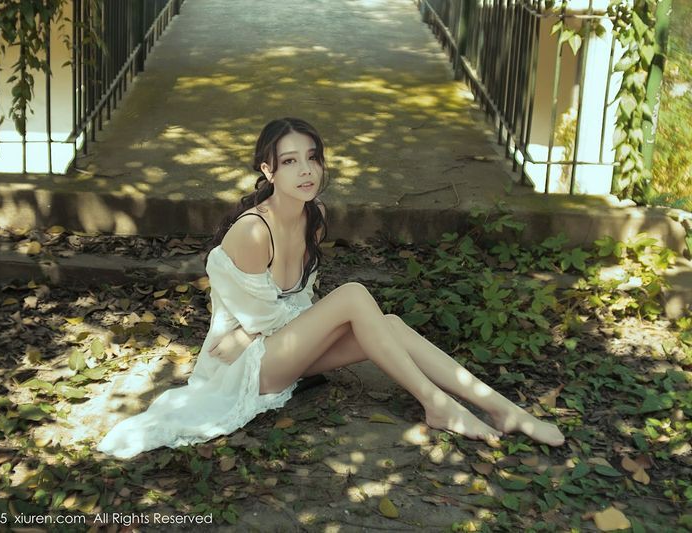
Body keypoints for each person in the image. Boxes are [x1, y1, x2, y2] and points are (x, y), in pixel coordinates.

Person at [97, 118, 564, 459]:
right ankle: (437, 404)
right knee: (355, 295)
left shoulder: (313, 217)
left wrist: (270, 327)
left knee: (389, 323)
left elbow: (294, 306)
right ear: (268, 171)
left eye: (312, 158)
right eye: (290, 161)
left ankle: (501, 408)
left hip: (279, 350)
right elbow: (266, 320)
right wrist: (256, 331)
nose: (306, 171)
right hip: (244, 369)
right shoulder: (253, 231)